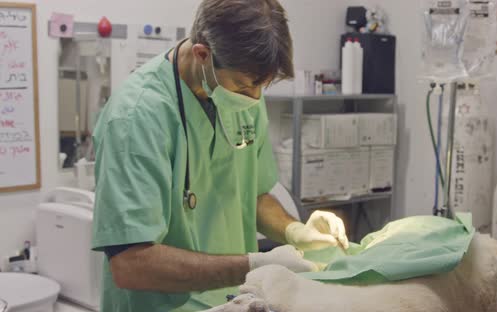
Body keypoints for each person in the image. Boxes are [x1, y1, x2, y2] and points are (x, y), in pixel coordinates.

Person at [90, 0, 349, 311]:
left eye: (261, 88)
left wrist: (295, 230)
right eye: (242, 86)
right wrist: (253, 263)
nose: (253, 100)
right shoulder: (135, 119)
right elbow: (131, 263)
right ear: (202, 55)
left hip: (235, 299)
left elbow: (252, 195)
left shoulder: (244, 96)